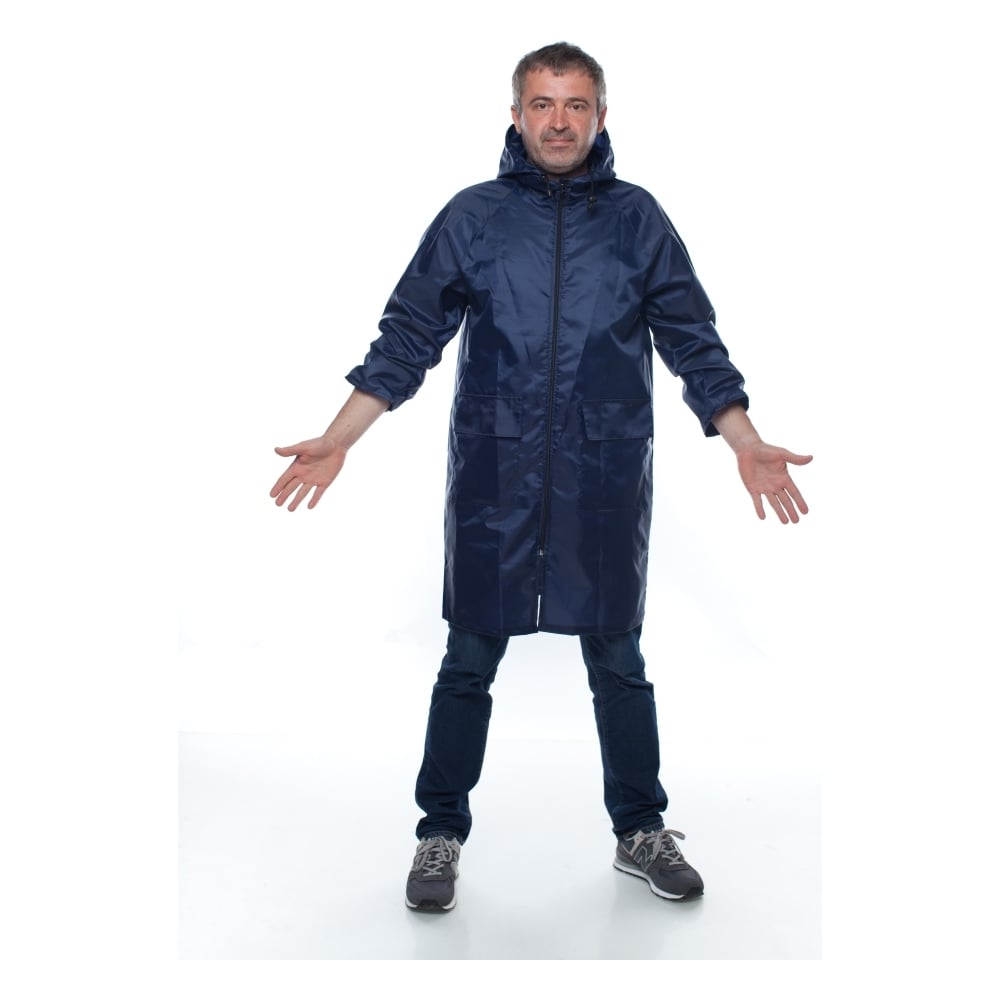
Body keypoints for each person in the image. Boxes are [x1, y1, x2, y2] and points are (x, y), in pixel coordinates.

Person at [270, 42, 811, 912]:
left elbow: (692, 339)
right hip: (496, 472)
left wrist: (741, 437)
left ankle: (640, 828)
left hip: (603, 474)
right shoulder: (474, 217)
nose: (559, 121)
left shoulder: (636, 219)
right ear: (516, 115)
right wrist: (340, 438)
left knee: (619, 658)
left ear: (602, 116)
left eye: (576, 104)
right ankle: (440, 833)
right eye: (543, 104)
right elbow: (407, 337)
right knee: (467, 659)